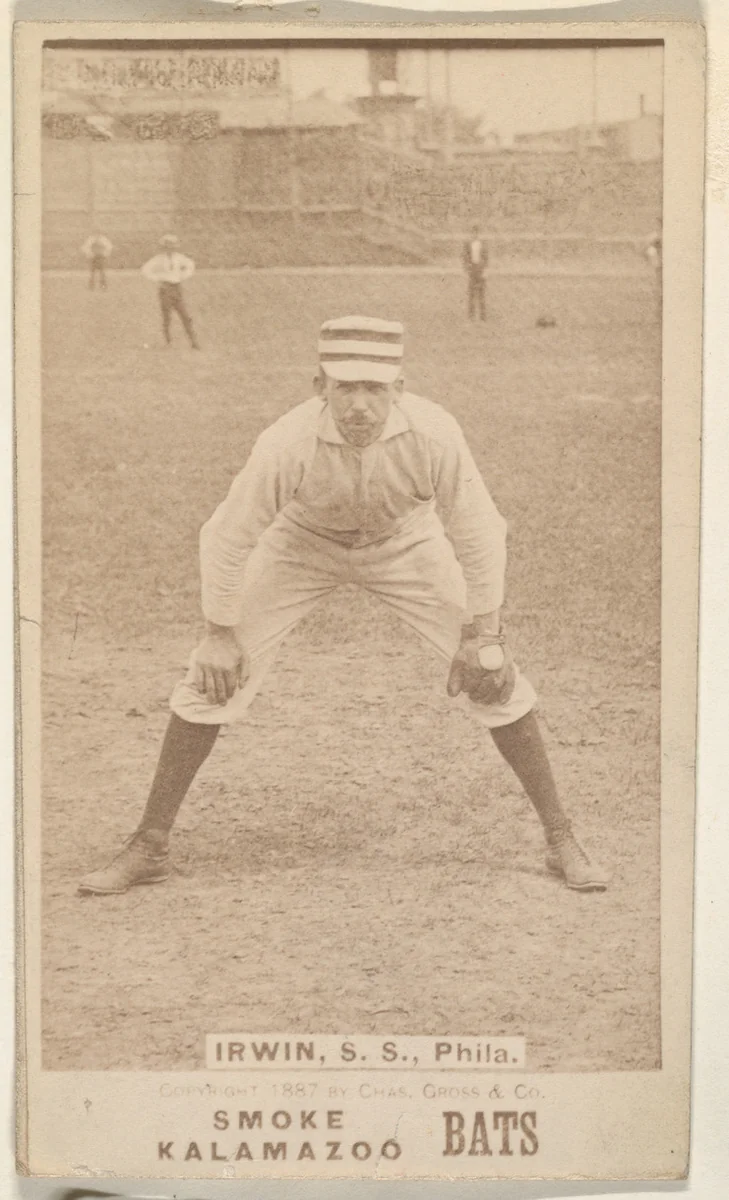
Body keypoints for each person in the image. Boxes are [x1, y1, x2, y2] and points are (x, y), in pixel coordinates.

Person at [78, 315, 609, 897]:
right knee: (210, 680)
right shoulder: (287, 442)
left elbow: (480, 528)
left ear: (399, 390)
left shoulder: (434, 433)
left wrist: (486, 634)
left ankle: (560, 837)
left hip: (405, 541)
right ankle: (150, 844)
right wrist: (219, 634)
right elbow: (227, 536)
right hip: (301, 543)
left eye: (374, 389)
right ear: (319, 387)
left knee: (494, 677)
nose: (359, 406)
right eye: (345, 388)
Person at [141, 233, 200, 350]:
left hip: (176, 288)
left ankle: (194, 342)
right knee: (167, 317)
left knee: (185, 315)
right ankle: (168, 342)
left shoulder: (179, 258)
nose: (170, 248)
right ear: (163, 247)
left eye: (172, 245)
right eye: (167, 245)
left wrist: (183, 275)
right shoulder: (158, 259)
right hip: (165, 289)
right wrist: (158, 279)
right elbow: (146, 269)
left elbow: (190, 265)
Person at [462, 225, 488, 321]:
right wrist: (467, 268)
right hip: (472, 269)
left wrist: (485, 270)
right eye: (473, 232)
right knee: (471, 293)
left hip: (480, 269)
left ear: (478, 233)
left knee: (481, 293)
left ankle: (482, 316)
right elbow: (465, 257)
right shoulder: (468, 244)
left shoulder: (482, 244)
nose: (474, 234)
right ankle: (471, 315)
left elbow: (486, 257)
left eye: (476, 232)